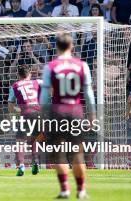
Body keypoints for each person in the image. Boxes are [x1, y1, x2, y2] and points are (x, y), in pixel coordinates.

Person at [39, 33, 96, 199]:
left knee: (59, 153)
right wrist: (92, 114)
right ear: (72, 46)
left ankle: (64, 189)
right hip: (75, 111)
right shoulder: (82, 65)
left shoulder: (50, 66)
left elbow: (44, 95)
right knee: (77, 153)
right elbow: (89, 93)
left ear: (56, 47)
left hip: (57, 112)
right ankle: (81, 191)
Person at [8, 65, 42, 177]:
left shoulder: (15, 86)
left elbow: (10, 108)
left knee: (19, 141)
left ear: (18, 75)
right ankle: (35, 162)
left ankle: (21, 166)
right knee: (33, 139)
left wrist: (18, 110)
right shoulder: (37, 82)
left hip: (26, 114)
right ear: (30, 74)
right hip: (38, 113)